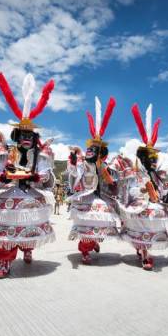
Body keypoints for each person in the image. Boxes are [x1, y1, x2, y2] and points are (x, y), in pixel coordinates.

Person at [0, 72, 56, 278]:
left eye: (29, 135)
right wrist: (1, 177)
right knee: (6, 231)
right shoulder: (5, 152)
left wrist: (37, 178)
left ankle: (27, 248)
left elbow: (49, 179)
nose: (26, 138)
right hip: (8, 194)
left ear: (34, 138)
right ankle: (5, 262)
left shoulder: (41, 156)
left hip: (30, 195)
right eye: (22, 135)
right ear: (16, 136)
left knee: (28, 226)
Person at [115, 103, 168, 270]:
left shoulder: (156, 173)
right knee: (144, 219)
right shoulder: (135, 172)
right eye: (151, 158)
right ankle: (145, 253)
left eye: (155, 158)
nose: (154, 161)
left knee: (155, 219)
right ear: (144, 158)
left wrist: (163, 189)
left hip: (154, 204)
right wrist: (143, 190)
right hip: (139, 204)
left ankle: (145, 250)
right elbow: (130, 190)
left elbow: (163, 192)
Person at [66, 97, 119, 265]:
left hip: (101, 197)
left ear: (100, 153)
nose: (89, 151)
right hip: (85, 197)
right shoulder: (82, 164)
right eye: (88, 149)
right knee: (87, 222)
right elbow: (74, 172)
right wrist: (74, 161)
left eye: (93, 150)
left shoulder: (103, 166)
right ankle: (85, 250)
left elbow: (110, 181)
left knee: (100, 221)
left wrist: (111, 182)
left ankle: (94, 241)